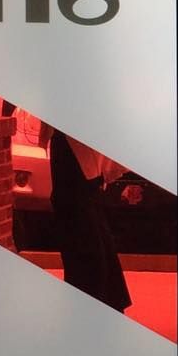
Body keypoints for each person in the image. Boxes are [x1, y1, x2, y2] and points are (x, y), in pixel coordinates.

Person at [40, 123, 131, 313]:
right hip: (77, 168)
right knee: (89, 251)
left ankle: (98, 308)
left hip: (79, 171)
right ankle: (96, 309)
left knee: (91, 249)